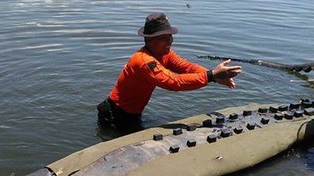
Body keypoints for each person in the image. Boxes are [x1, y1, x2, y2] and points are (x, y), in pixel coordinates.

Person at [98, 12, 242, 133]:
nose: (170, 41)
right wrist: (211, 75)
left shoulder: (165, 54)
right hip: (115, 115)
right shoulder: (143, 61)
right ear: (149, 39)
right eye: (163, 38)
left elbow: (187, 67)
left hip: (133, 112)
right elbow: (174, 82)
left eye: (170, 36)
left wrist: (216, 76)